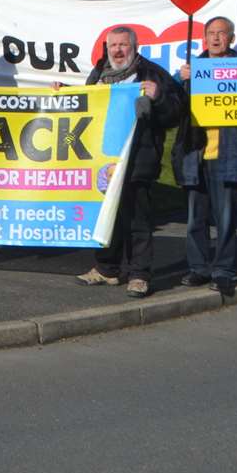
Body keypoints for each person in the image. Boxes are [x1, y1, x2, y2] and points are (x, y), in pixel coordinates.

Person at [75, 25, 183, 299]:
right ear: (107, 48)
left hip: (138, 160)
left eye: (124, 45)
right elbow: (85, 109)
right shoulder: (99, 74)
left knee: (138, 219)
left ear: (134, 47)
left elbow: (175, 113)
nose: (118, 50)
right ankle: (107, 269)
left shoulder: (152, 74)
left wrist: (157, 98)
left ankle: (139, 275)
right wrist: (62, 92)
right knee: (106, 217)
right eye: (113, 45)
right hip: (105, 161)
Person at [173, 15, 237, 297]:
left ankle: (223, 271)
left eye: (222, 33)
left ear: (232, 38)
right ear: (204, 38)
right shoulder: (190, 70)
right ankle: (199, 268)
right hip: (196, 155)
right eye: (211, 33)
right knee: (195, 219)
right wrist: (179, 81)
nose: (216, 38)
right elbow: (170, 102)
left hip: (229, 155)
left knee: (226, 218)